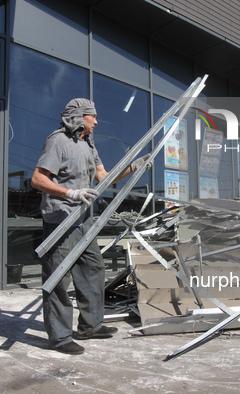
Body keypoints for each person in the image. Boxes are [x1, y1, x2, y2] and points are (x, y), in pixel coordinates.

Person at [31, 98, 151, 355]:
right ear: (78, 117)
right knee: (57, 279)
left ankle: (90, 326)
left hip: (83, 220)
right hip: (61, 221)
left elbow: (103, 178)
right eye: (92, 116)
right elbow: (38, 179)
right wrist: (69, 193)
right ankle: (60, 337)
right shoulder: (58, 141)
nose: (96, 121)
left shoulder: (87, 145)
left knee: (93, 269)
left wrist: (134, 167)